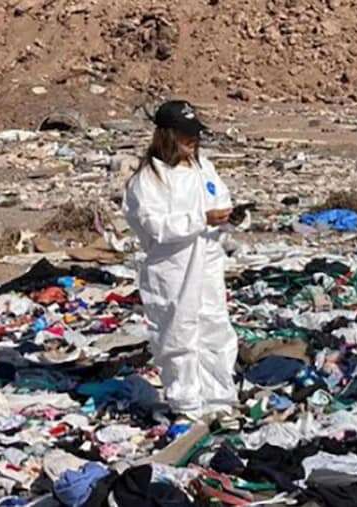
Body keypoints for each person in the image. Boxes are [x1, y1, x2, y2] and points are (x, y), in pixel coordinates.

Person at [123, 100, 238, 424]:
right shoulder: (147, 180)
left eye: (195, 135)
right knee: (178, 333)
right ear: (167, 135)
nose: (193, 141)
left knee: (214, 327)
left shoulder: (203, 169)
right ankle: (186, 404)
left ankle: (219, 398)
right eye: (186, 135)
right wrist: (201, 219)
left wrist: (228, 218)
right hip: (173, 268)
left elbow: (220, 202)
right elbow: (156, 226)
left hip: (208, 262)